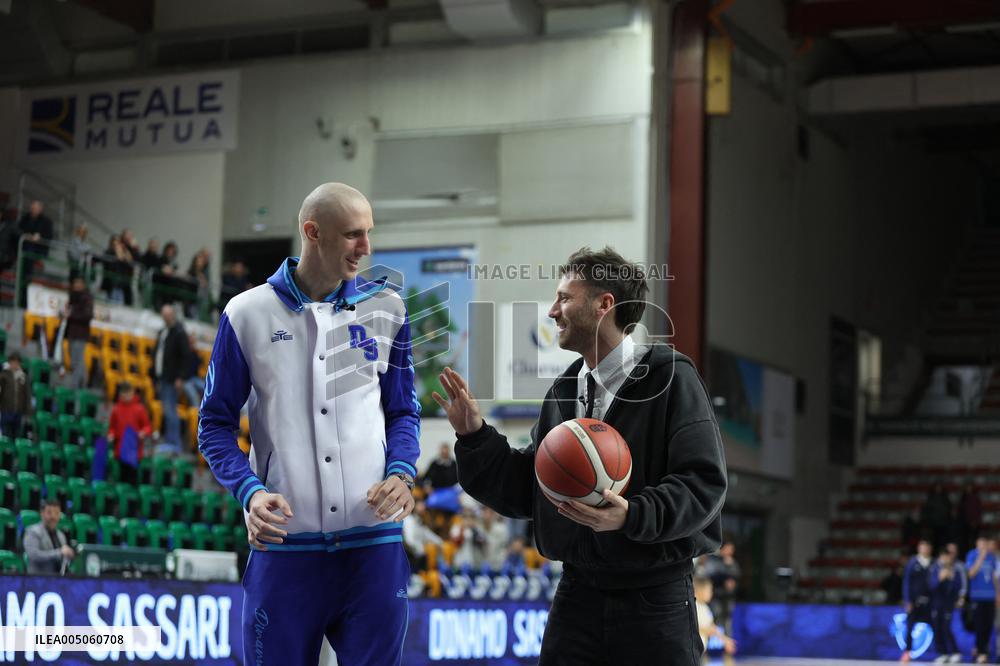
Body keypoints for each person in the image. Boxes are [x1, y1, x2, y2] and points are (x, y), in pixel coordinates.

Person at [434, 246, 728, 666]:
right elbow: (529, 490)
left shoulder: (672, 378)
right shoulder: (562, 391)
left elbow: (704, 484)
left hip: (654, 598)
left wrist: (632, 514)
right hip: (576, 593)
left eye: (565, 298)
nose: (553, 311)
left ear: (605, 304)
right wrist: (475, 436)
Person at [198, 182, 420, 666]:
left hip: (373, 546)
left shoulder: (388, 309)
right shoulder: (246, 313)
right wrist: (250, 492)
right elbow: (214, 425)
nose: (366, 248)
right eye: (352, 235)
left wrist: (403, 473)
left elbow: (403, 411)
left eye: (369, 234)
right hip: (285, 545)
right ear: (312, 232)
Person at [152, 304, 190, 454]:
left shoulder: (180, 333)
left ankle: (174, 444)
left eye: (169, 314)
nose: (166, 317)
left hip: (172, 378)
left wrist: (180, 377)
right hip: (163, 377)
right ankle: (170, 440)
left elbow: (186, 356)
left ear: (173, 315)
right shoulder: (163, 332)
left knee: (171, 411)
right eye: (164, 314)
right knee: (167, 411)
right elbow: (158, 354)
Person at [107, 381, 152, 485]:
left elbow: (147, 426)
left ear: (132, 393)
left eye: (128, 393)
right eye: (124, 393)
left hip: (134, 451)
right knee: (121, 479)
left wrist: (143, 432)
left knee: (132, 480)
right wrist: (111, 434)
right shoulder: (116, 409)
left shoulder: (139, 409)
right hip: (120, 450)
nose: (126, 396)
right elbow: (112, 427)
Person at [929, 546, 965, 664]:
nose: (946, 559)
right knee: (937, 628)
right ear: (940, 557)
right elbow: (931, 586)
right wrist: (940, 578)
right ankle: (942, 653)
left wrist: (951, 578)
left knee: (946, 628)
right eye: (943, 557)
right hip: (936, 604)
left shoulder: (955, 570)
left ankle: (955, 652)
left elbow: (958, 587)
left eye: (948, 557)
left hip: (948, 604)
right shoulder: (935, 568)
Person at [901, 539, 935, 664]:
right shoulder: (912, 562)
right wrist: (907, 600)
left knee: (937, 626)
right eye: (922, 546)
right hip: (914, 601)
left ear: (930, 548)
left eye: (927, 546)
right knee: (909, 627)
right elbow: (906, 582)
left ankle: (941, 652)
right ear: (918, 548)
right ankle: (907, 652)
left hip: (930, 601)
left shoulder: (934, 563)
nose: (925, 549)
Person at [965, 536, 997, 664]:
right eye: (981, 543)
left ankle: (980, 650)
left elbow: (994, 576)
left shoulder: (992, 557)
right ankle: (982, 652)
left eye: (985, 543)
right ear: (976, 544)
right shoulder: (972, 555)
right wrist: (980, 558)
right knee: (979, 625)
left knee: (989, 625)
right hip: (977, 597)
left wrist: (998, 593)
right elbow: (971, 574)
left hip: (990, 596)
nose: (984, 546)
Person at [23, 499, 75, 575]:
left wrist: (70, 556)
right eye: (49, 512)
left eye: (57, 513)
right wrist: (59, 553)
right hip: (37, 581)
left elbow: (63, 561)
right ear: (42, 513)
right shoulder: (32, 531)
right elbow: (34, 555)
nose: (53, 516)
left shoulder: (61, 535)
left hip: (58, 582)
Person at [694, 576, 736, 664]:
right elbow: (694, 627)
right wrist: (706, 630)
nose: (711, 593)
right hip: (693, 652)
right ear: (698, 591)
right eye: (709, 590)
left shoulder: (705, 608)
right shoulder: (694, 607)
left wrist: (725, 640)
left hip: (701, 652)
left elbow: (712, 627)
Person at [705, 539, 741, 635]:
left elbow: (736, 578)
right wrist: (724, 580)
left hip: (729, 597)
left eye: (732, 549)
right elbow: (710, 576)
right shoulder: (713, 560)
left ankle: (727, 643)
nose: (730, 551)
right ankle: (714, 645)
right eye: (728, 549)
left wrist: (730, 567)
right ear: (722, 549)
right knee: (715, 619)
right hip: (716, 597)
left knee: (728, 622)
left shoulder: (733, 563)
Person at [64, 274, 93, 389]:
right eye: (75, 283)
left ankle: (77, 385)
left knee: (77, 360)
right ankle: (82, 382)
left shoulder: (87, 298)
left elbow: (87, 315)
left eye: (79, 283)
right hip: (72, 333)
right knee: (74, 359)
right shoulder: (72, 297)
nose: (76, 285)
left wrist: (71, 315)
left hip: (81, 334)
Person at [0, 352, 31, 438]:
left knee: (16, 435)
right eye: (13, 362)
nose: (15, 364)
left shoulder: (23, 377)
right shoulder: (4, 375)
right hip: (6, 409)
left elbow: (27, 395)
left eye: (17, 362)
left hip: (18, 411)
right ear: (9, 362)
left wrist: (28, 411)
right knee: (5, 434)